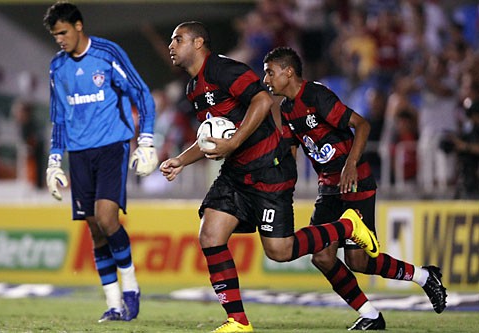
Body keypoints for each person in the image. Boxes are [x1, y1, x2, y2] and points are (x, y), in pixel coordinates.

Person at [160, 21, 380, 333]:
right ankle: (238, 321)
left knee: (280, 251)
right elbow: (212, 137)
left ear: (198, 43)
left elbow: (262, 100)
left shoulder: (225, 70)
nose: (171, 46)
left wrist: (235, 142)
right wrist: (181, 160)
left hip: (268, 169)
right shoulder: (193, 89)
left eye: (177, 39)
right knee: (210, 236)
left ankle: (348, 226)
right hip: (236, 174)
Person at [262, 46, 447, 330]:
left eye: (270, 73)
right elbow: (292, 149)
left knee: (358, 261)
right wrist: (279, 178)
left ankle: (424, 277)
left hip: (355, 181)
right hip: (328, 188)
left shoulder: (316, 95)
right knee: (322, 257)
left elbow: (361, 125)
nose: (266, 80)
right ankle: (371, 314)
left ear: (288, 72)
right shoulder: (286, 109)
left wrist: (350, 163)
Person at [43, 1, 158, 322]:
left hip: (111, 147)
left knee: (107, 219)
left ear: (78, 26)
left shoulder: (107, 54)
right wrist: (54, 161)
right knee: (95, 230)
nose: (60, 40)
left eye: (63, 32)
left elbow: (141, 93)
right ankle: (113, 303)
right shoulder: (57, 67)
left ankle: (131, 286)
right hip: (78, 154)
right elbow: (59, 117)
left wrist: (146, 139)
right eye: (55, 36)